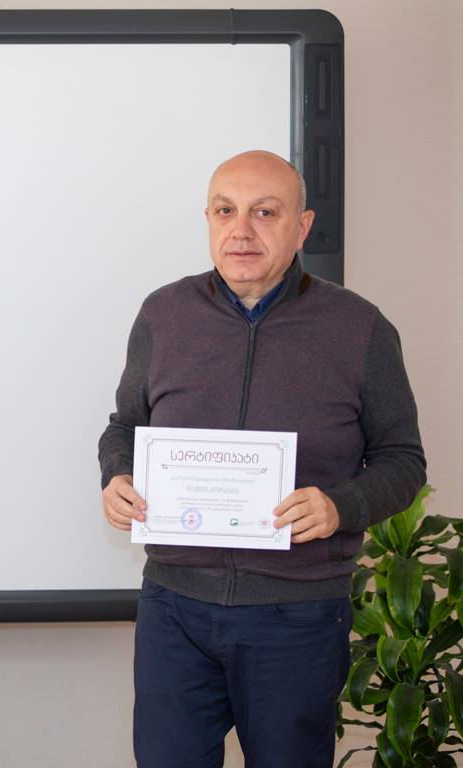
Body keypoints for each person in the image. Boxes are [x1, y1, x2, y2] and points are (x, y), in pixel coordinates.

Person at [98, 150, 425, 767]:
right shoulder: (163, 314)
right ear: (208, 219)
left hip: (297, 615)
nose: (241, 230)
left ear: (302, 226)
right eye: (225, 211)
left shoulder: (360, 328)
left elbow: (402, 461)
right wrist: (117, 475)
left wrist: (340, 506)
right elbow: (125, 427)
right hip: (175, 607)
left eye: (265, 212)